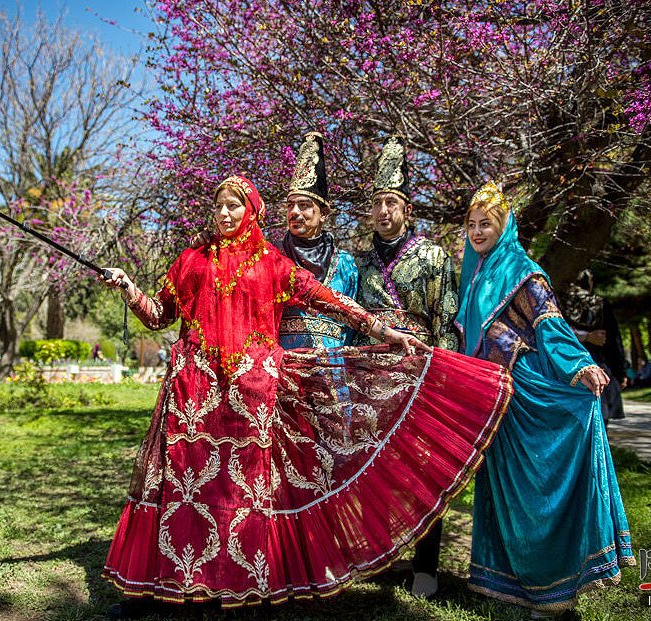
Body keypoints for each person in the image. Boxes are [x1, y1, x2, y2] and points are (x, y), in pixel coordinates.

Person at [98, 174, 513, 618]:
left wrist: (384, 331)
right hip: (191, 395)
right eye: (218, 205)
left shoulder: (272, 264)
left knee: (238, 493)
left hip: (251, 399)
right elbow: (160, 315)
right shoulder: (190, 261)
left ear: (252, 211)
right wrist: (128, 286)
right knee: (185, 489)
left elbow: (331, 301)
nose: (223, 213)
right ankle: (176, 585)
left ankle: (237, 584)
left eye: (233, 206)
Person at [456, 182, 634, 619]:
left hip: (526, 393)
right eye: (472, 225)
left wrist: (578, 364)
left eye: (487, 224)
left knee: (537, 492)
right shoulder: (476, 272)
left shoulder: (523, 271)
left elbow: (551, 324)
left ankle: (555, 591)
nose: (478, 232)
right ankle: (518, 583)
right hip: (494, 394)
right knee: (505, 494)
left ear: (504, 226)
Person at [354, 136, 459, 599]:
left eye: (391, 202)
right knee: (374, 468)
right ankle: (378, 553)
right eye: (376, 203)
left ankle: (426, 564)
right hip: (371, 379)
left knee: (424, 470)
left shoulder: (434, 256)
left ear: (407, 209)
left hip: (420, 377)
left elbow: (448, 320)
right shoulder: (357, 263)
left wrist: (446, 376)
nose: (382, 211)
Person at [276, 132, 358, 349]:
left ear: (323, 214)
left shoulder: (345, 264)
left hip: (333, 369)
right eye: (290, 205)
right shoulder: (272, 258)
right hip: (284, 368)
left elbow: (351, 328)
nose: (294, 212)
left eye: (303, 205)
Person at [560, 269, 627, 423]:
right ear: (589, 283)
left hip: (567, 364)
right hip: (597, 363)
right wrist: (620, 370)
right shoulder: (600, 303)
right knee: (600, 417)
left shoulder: (558, 302)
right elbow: (613, 339)